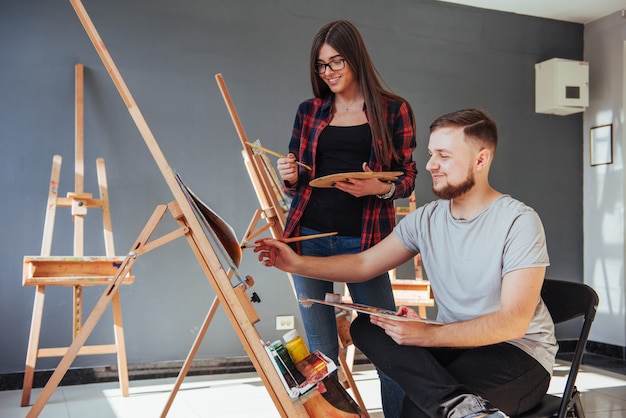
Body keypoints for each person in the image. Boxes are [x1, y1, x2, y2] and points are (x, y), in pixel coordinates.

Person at [257, 108, 557, 417]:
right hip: (455, 343)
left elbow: (514, 323)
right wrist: (295, 265)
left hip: (519, 353)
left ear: (480, 160)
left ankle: (453, 405)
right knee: (368, 327)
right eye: (430, 154)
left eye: (443, 155)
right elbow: (363, 264)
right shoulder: (427, 219)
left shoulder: (518, 220)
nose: (430, 165)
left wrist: (427, 334)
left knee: (416, 410)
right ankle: (463, 408)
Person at [275, 19, 417, 417]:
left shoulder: (393, 110)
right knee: (321, 351)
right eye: (322, 66)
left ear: (355, 59)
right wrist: (291, 176)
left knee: (384, 342)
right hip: (309, 236)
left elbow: (407, 176)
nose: (330, 73)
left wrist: (379, 187)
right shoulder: (310, 111)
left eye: (336, 62)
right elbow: (301, 176)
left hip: (368, 243)